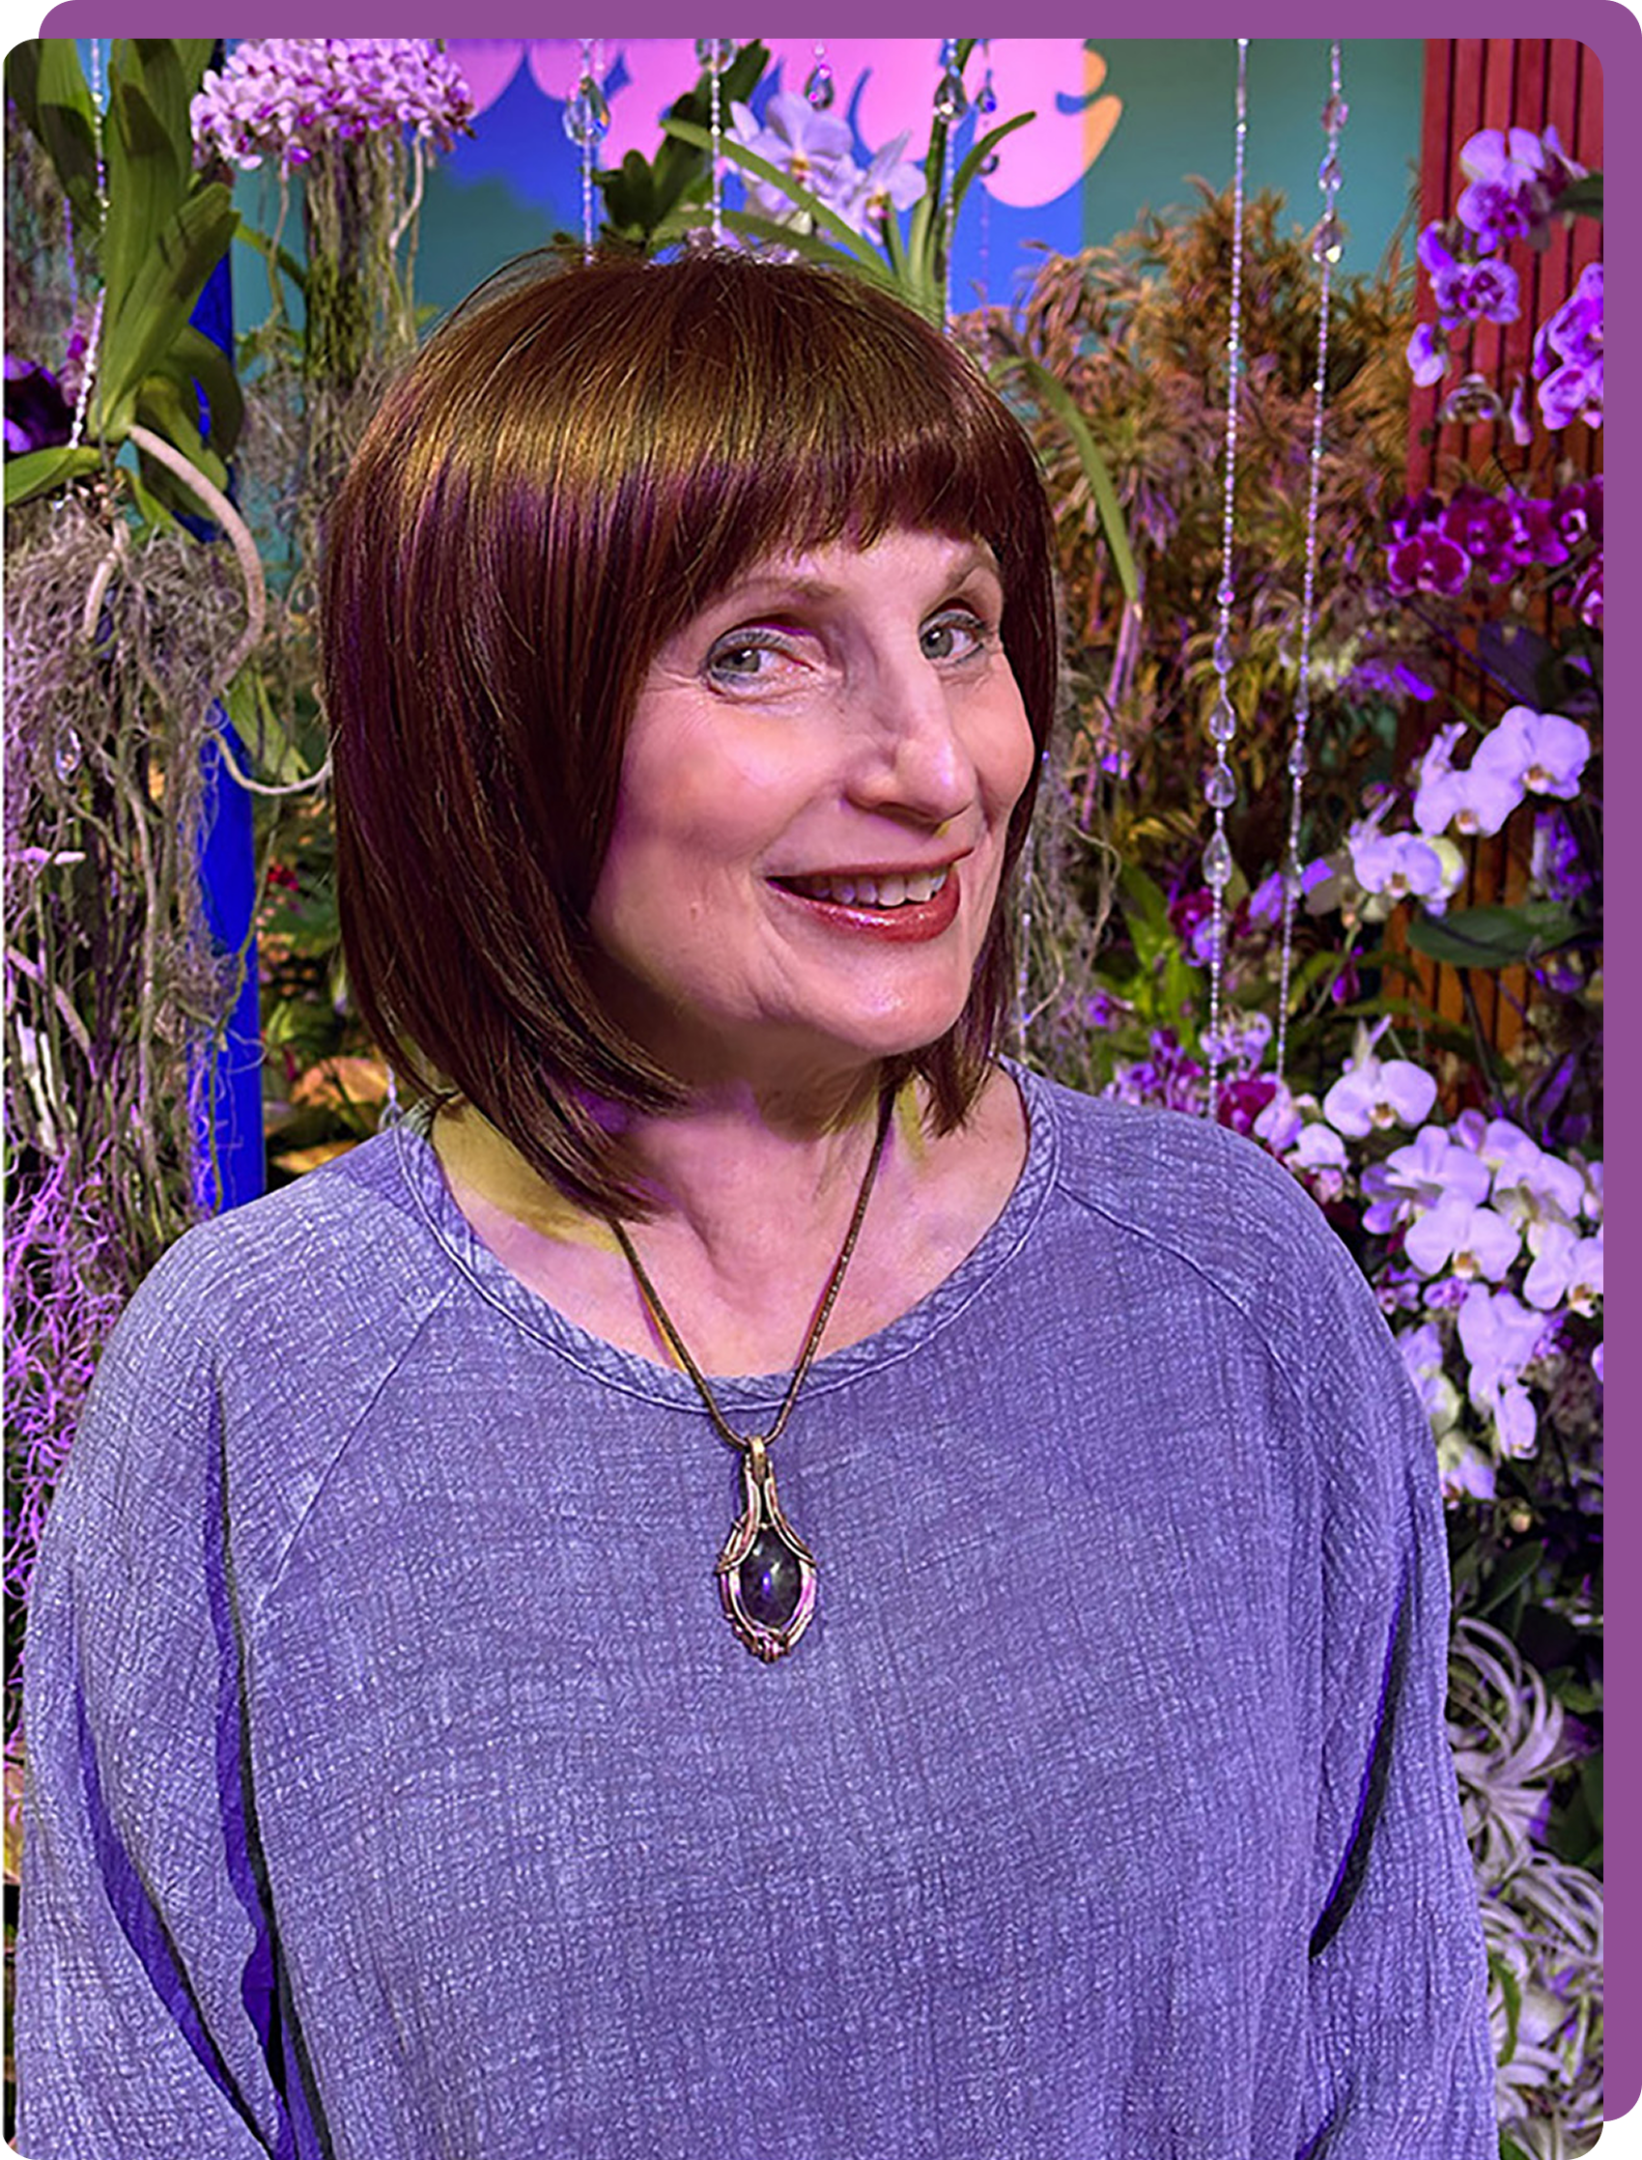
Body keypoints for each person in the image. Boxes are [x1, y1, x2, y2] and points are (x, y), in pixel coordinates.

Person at [17, 249, 1496, 2157]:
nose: (938, 762)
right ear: (500, 725)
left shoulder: (1223, 1289)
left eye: (957, 624)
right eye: (761, 648)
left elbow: (1394, 2068)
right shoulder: (256, 1382)